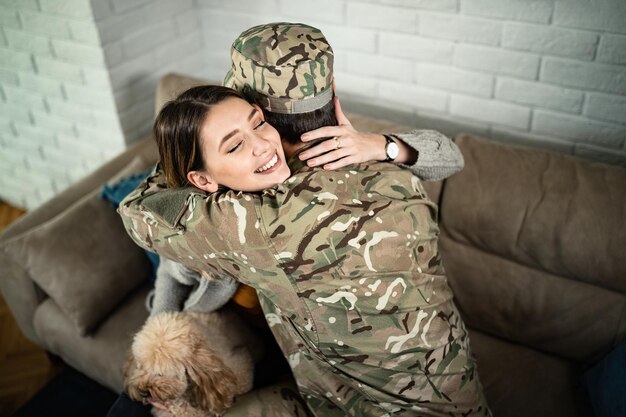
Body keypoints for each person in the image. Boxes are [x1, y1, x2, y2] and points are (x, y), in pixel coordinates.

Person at [118, 22, 491, 416]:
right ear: (334, 96)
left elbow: (137, 211)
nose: (260, 143)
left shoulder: (256, 222)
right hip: (461, 393)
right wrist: (382, 143)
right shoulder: (386, 168)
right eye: (236, 141)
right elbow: (449, 155)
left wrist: (190, 144)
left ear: (267, 116)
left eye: (258, 122)